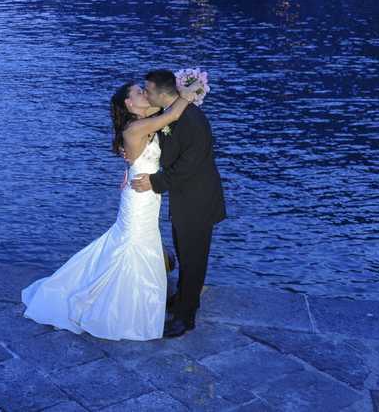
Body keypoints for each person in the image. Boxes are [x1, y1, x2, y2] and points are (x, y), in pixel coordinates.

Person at [21, 83, 192, 340]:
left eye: (143, 89)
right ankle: (125, 311)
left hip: (144, 193)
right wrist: (193, 90)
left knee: (135, 243)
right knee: (133, 244)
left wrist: (179, 87)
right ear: (129, 104)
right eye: (137, 92)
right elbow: (173, 114)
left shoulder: (147, 119)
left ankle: (136, 304)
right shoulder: (136, 128)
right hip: (139, 199)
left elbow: (164, 106)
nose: (144, 92)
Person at [132, 68, 227, 338]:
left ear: (163, 93)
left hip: (198, 200)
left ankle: (186, 316)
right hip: (185, 199)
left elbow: (189, 165)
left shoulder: (192, 120)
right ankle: (184, 298)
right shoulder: (172, 113)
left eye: (148, 90)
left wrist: (156, 182)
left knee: (194, 258)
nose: (146, 93)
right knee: (185, 253)